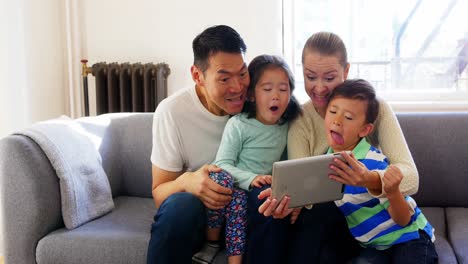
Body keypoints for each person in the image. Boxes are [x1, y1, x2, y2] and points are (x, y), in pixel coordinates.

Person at [249, 32, 420, 263]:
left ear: (346, 71)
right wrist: (288, 199)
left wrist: (369, 179)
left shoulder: (373, 108)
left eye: (329, 78)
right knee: (285, 209)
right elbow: (300, 183)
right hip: (333, 215)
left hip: (368, 210)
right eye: (310, 77)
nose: (319, 88)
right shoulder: (301, 119)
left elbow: (411, 177)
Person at [147, 25, 250, 264]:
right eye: (224, 78)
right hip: (203, 222)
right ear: (197, 76)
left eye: (243, 73)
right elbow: (160, 195)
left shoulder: (261, 101)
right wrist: (186, 181)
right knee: (180, 205)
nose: (238, 87)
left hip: (249, 212)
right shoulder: (173, 112)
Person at [192, 54, 301, 264]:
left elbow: (288, 162)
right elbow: (222, 164)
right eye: (267, 89)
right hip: (237, 188)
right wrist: (251, 178)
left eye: (283, 89)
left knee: (275, 205)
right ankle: (215, 243)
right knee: (246, 197)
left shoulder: (288, 125)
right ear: (251, 95)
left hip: (264, 190)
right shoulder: (239, 125)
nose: (276, 96)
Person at [325, 79, 437, 263]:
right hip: (374, 246)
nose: (337, 121)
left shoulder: (374, 162)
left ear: (365, 130)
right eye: (333, 112)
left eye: (348, 117)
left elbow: (403, 220)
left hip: (409, 237)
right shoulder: (326, 162)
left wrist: (392, 191)